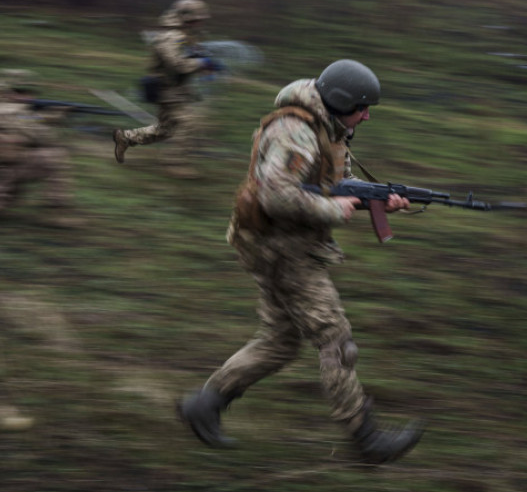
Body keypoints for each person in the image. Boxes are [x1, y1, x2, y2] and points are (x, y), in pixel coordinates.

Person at [178, 59, 425, 464]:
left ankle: (204, 405)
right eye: (362, 107)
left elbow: (328, 189)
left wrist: (376, 203)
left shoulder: (329, 126)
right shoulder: (295, 131)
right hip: (282, 248)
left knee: (279, 341)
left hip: (279, 242)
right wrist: (335, 211)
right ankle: (365, 437)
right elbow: (278, 195)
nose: (367, 115)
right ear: (342, 101)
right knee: (334, 337)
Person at [0, 68, 77, 227]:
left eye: (30, 93)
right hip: (1, 173)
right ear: (7, 91)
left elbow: (18, 124)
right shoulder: (11, 111)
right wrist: (55, 118)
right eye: (21, 92)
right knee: (55, 155)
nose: (29, 97)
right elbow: (43, 138)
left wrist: (42, 117)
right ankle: (57, 212)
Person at [113, 0, 221, 178]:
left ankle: (126, 138)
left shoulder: (185, 35)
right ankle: (175, 163)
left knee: (165, 129)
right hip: (167, 90)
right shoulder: (171, 36)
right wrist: (202, 63)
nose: (202, 22)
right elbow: (177, 64)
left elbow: (191, 57)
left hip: (177, 90)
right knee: (190, 122)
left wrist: (207, 65)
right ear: (187, 18)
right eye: (198, 19)